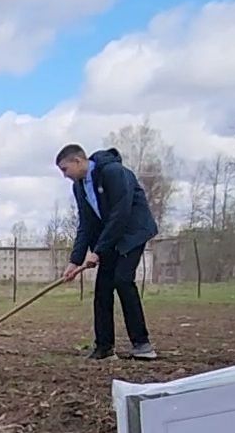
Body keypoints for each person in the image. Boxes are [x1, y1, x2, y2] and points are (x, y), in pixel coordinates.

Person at [57, 144, 159, 360]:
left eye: (65, 170)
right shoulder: (79, 187)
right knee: (102, 287)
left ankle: (142, 344)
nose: (65, 176)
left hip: (132, 233)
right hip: (110, 236)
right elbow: (86, 224)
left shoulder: (113, 172)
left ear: (78, 161)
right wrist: (74, 261)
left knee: (122, 280)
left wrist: (98, 252)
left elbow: (120, 214)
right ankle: (104, 347)